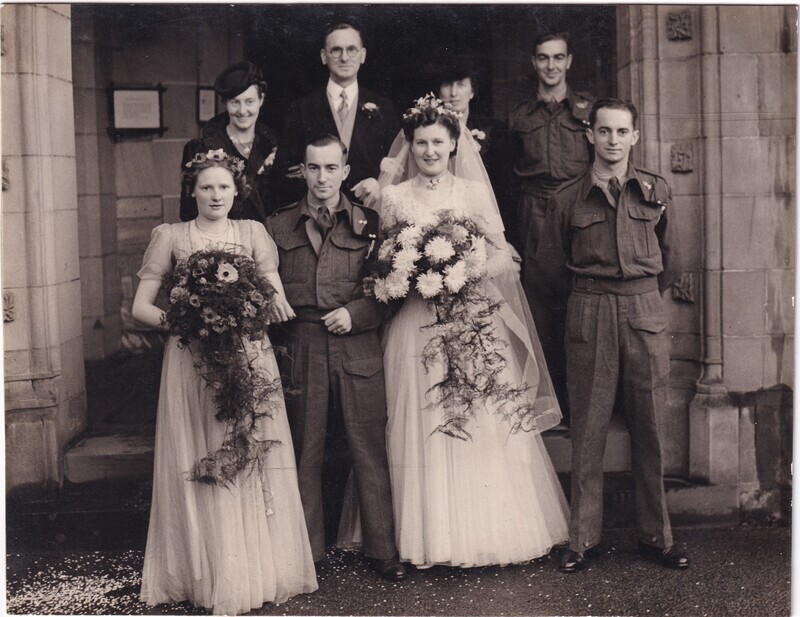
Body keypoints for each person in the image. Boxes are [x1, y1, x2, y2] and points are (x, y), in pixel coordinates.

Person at [375, 95, 569, 568]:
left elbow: (504, 256)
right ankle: (429, 535)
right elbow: (382, 264)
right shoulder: (395, 198)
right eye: (420, 142)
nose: (428, 151)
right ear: (410, 146)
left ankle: (484, 529)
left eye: (438, 141)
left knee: (478, 418)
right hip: (416, 322)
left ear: (453, 143)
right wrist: (409, 270)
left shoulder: (471, 192)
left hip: (471, 319)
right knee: (422, 417)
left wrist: (463, 268)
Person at [134, 150, 317, 614]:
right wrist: (185, 322)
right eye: (206, 187)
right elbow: (139, 306)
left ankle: (256, 570)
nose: (215, 195)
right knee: (202, 448)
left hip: (249, 357)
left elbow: (271, 292)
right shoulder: (171, 236)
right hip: (193, 362)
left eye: (223, 187)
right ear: (191, 192)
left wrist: (260, 307)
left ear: (238, 191)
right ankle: (209, 572)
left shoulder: (253, 233)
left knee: (248, 447)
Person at [534, 99, 689, 573]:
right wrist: (593, 293)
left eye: (622, 132)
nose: (613, 140)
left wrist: (637, 294)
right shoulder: (566, 197)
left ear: (635, 137)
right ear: (591, 136)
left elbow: (673, 259)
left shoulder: (655, 191)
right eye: (604, 131)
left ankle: (656, 537)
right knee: (588, 425)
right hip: (590, 308)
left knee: (650, 428)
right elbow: (546, 269)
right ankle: (582, 538)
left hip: (644, 310)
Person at [265, 134, 407, 582]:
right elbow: (264, 286)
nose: (322, 177)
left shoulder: (370, 223)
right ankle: (308, 552)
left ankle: (383, 550)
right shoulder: (278, 225)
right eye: (314, 168)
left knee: (368, 446)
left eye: (331, 168)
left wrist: (357, 313)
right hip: (302, 342)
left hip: (355, 342)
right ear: (302, 171)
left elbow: (389, 290)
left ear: (345, 172)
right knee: (305, 447)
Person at [509, 32, 596, 425]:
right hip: (533, 215)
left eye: (558, 58)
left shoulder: (588, 112)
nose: (551, 66)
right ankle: (546, 409)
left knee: (578, 311)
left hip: (576, 217)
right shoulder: (520, 115)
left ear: (569, 61)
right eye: (543, 58)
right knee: (537, 313)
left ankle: (581, 409)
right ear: (534, 62)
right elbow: (507, 179)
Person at [276, 22, 399, 208]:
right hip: (316, 214)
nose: (344, 58)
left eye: (351, 50)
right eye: (336, 50)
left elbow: (397, 166)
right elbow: (285, 172)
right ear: (324, 56)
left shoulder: (384, 108)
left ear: (363, 55)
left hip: (369, 212)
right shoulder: (301, 108)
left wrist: (379, 184)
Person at [180, 61, 279, 224]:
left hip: (269, 239)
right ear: (225, 103)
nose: (242, 110)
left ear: (261, 100)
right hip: (221, 241)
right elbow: (188, 211)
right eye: (235, 102)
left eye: (249, 101)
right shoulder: (200, 148)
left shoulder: (274, 145)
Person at [437, 60, 515, 237]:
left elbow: (504, 189)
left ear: (472, 91)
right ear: (440, 91)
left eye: (461, 85)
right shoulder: (430, 132)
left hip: (484, 222)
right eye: (448, 85)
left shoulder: (494, 131)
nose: (454, 93)